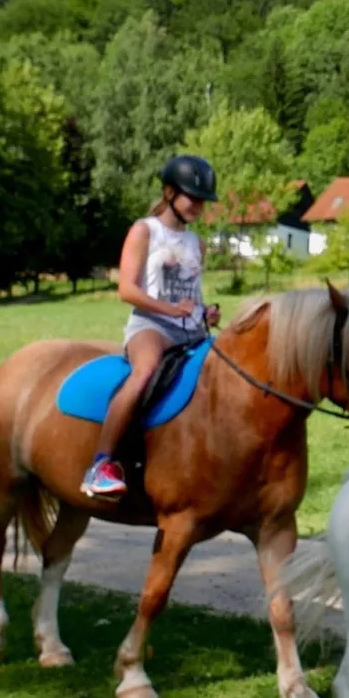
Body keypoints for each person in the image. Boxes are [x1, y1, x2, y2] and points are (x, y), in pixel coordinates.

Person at [80, 155, 221, 499]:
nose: (199, 206)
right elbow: (127, 290)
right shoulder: (145, 231)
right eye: (193, 198)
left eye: (203, 201)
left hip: (192, 331)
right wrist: (172, 310)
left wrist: (205, 313)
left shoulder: (196, 243)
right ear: (170, 192)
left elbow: (191, 294)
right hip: (151, 327)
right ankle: (101, 464)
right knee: (145, 373)